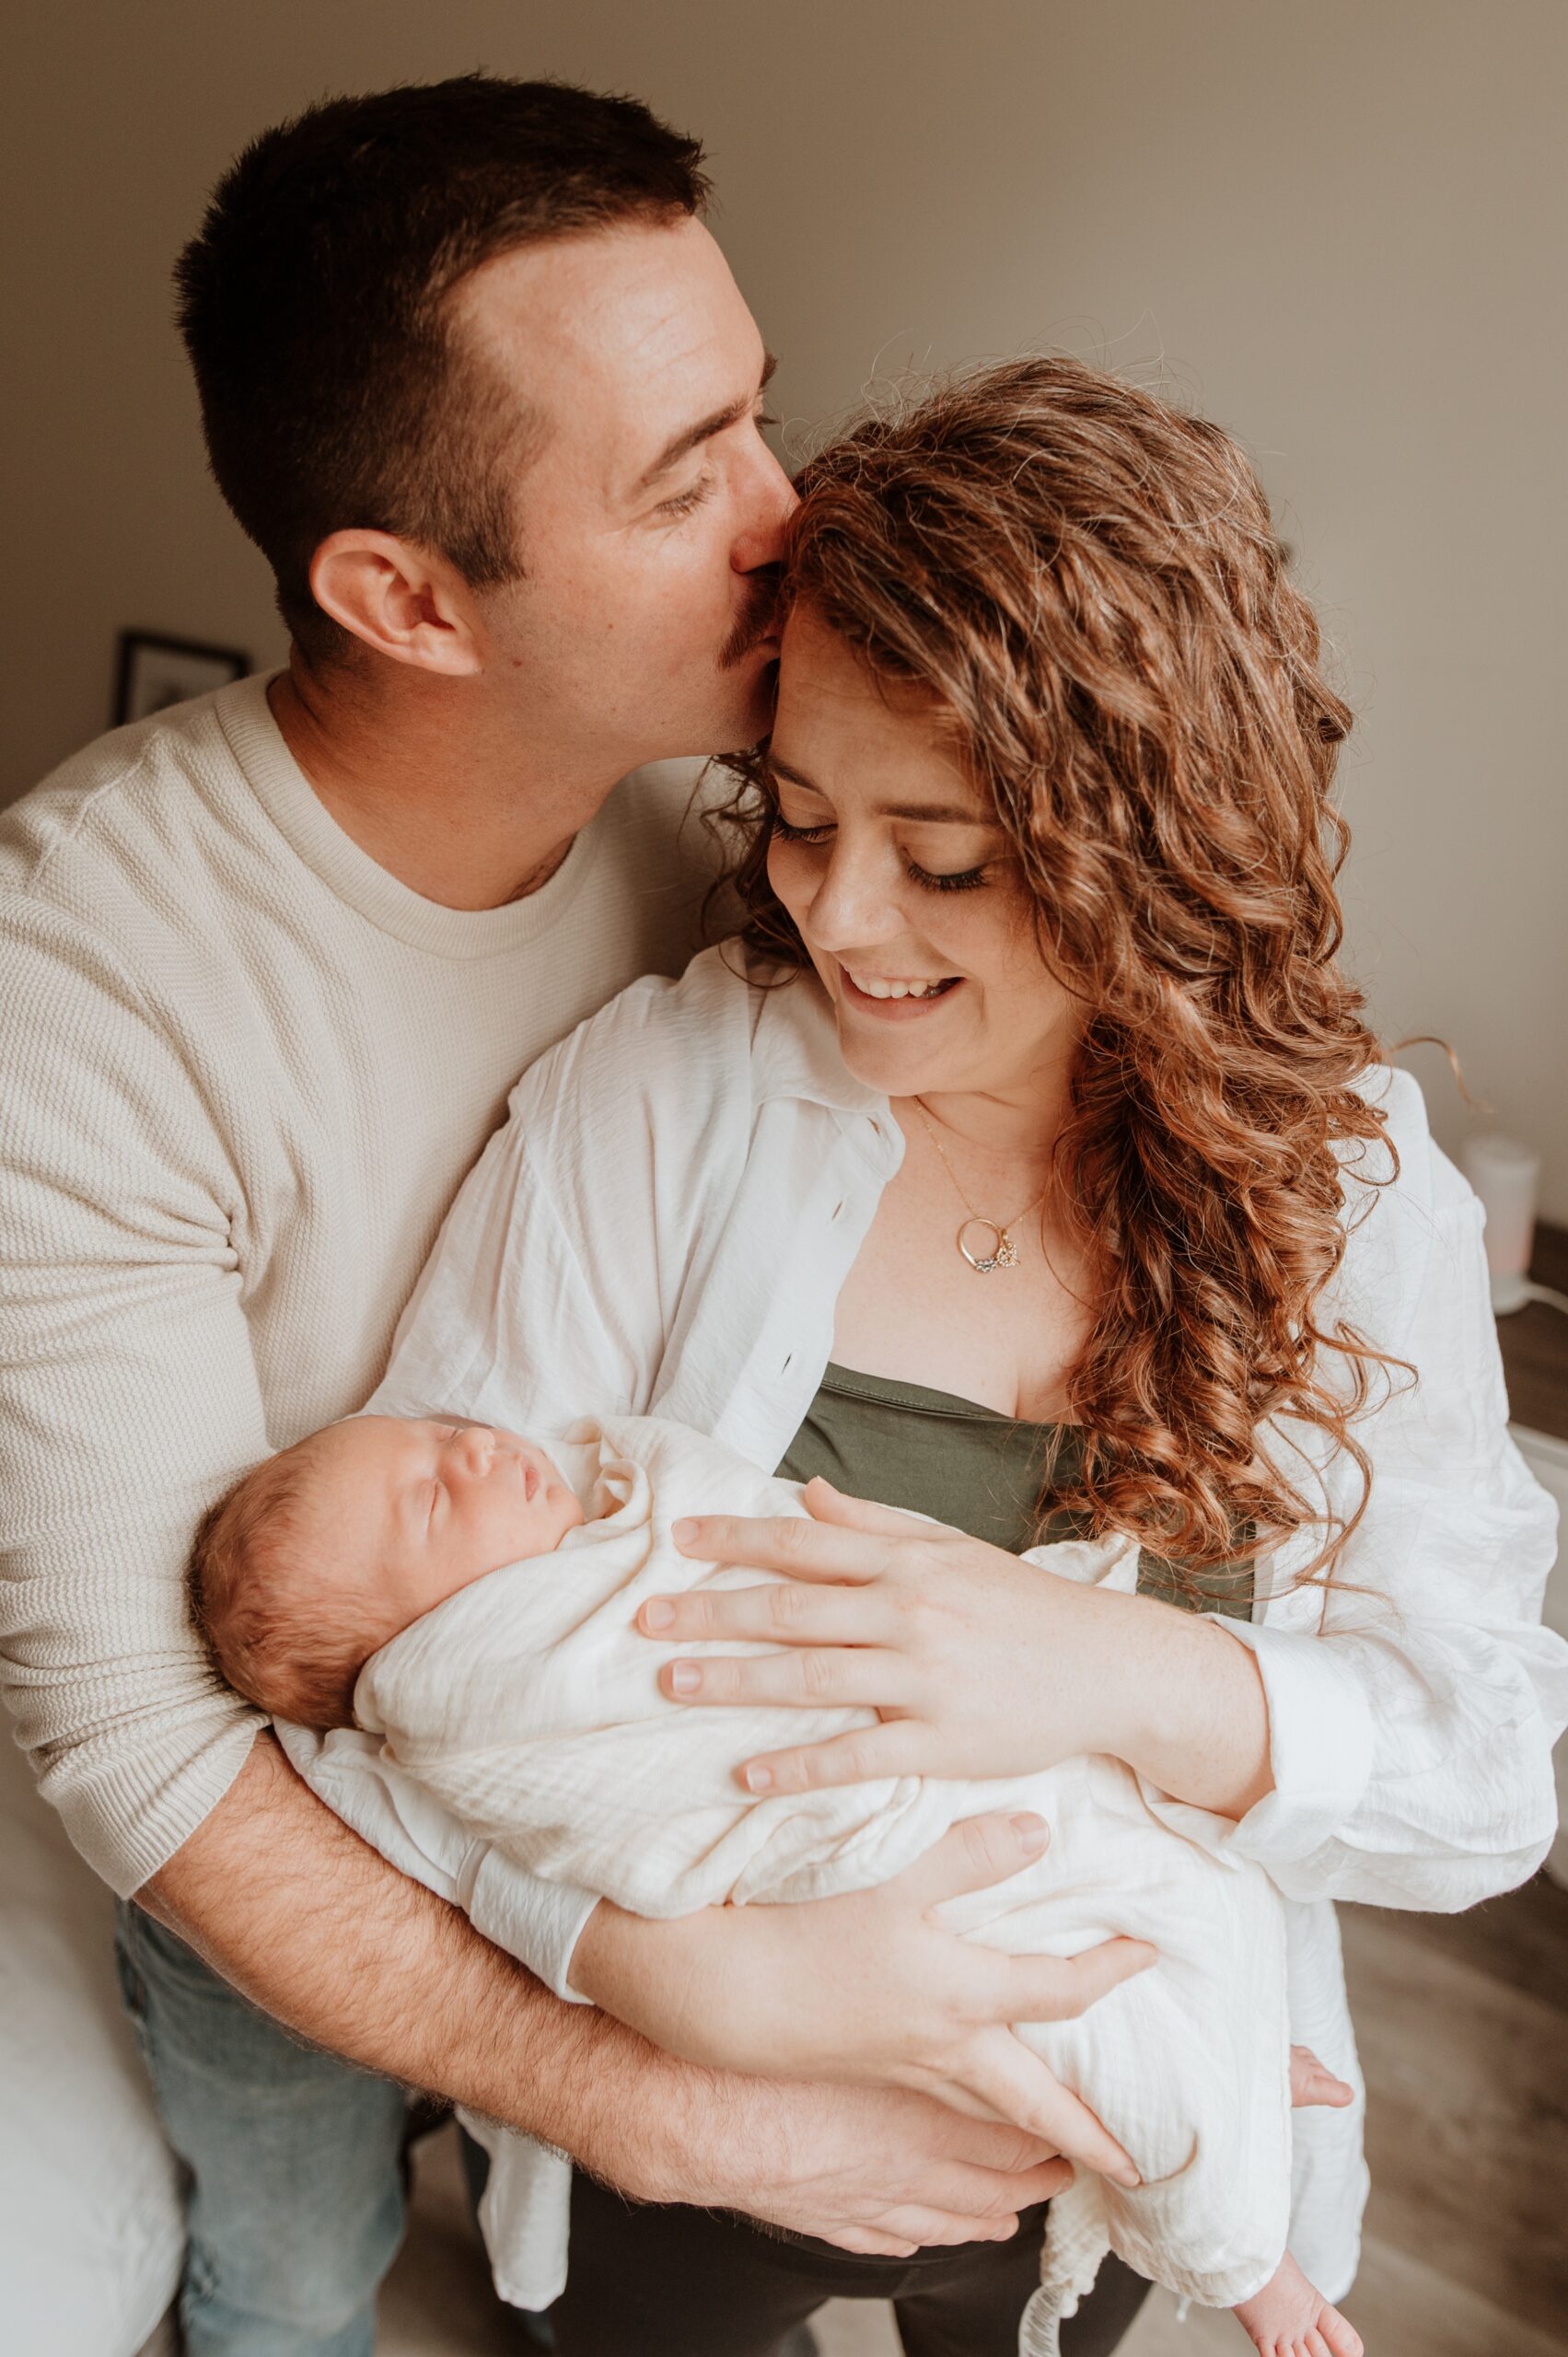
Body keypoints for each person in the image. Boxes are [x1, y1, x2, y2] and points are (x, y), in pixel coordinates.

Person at [0, 78, 1081, 2357]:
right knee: (183, 2277)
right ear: (402, 594)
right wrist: (678, 2103)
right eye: (687, 480)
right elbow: (130, 1721)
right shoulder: (75, 983)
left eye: (756, 419)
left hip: (564, 1711)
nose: (795, 519)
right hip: (217, 1787)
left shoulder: (748, 830)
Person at [350, 357, 1568, 2355]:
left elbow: (1481, 1776)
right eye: (804, 816)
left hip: (1114, 2122)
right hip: (704, 2123)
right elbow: (401, 1672)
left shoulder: (1347, 1200)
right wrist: (680, 1988)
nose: (836, 914)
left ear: (1147, 848)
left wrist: (1093, 1667)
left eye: (945, 857)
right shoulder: (664, 1107)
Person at [190, 1402, 1365, 2357]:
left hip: (975, 1798)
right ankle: (1244, 2256)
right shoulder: (486, 1692)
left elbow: (717, 1510)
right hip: (840, 1890)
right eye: (436, 1495)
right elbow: (566, 1803)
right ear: (407, 1645)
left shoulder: (600, 1508)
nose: (480, 1446)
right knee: (1098, 2023)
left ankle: (1235, 2059)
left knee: (1165, 1901)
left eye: (443, 1428)